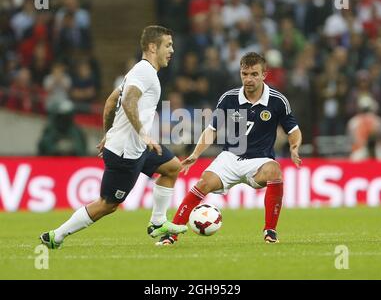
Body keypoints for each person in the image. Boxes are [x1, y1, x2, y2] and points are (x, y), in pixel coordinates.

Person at [40, 25, 188, 249]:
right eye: (167, 45)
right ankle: (56, 235)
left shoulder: (139, 72)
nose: (172, 50)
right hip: (125, 152)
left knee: (172, 167)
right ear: (151, 47)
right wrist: (142, 134)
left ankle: (158, 223)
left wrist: (108, 133)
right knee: (107, 204)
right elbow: (128, 101)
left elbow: (111, 102)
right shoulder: (144, 72)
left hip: (136, 146)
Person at [156, 52, 302, 245]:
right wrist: (195, 154)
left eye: (254, 74)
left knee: (274, 170)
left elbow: (293, 129)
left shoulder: (277, 100)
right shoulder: (229, 98)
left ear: (264, 75)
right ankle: (171, 235)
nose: (248, 79)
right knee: (203, 183)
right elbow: (212, 130)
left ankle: (270, 231)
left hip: (259, 160)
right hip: (230, 157)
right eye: (245, 74)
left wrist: (293, 147)